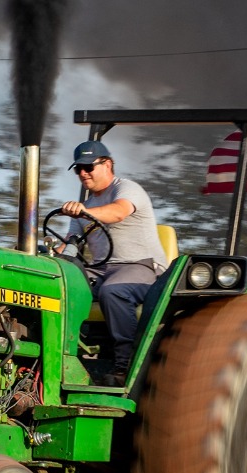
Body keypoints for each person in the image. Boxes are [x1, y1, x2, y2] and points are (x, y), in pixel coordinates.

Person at [61, 140, 167, 386]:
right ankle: (65, 359)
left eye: (88, 167)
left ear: (107, 164)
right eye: (78, 169)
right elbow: (69, 244)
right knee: (60, 283)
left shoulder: (127, 189)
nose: (83, 173)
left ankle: (124, 365)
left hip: (142, 267)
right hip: (101, 269)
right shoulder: (85, 206)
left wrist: (83, 213)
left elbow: (118, 212)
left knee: (114, 291)